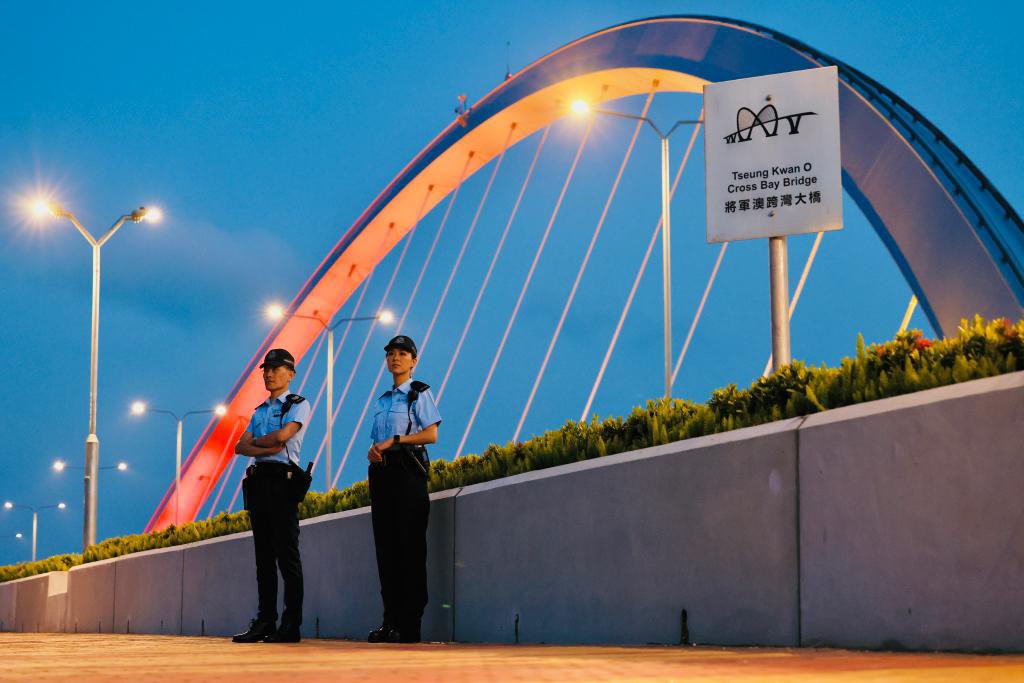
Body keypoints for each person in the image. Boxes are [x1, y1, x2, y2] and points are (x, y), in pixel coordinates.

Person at [231, 348, 311, 644]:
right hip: (259, 482)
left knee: (287, 556)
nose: (268, 374)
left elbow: (283, 437)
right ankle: (265, 621)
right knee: (263, 557)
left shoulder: (297, 405)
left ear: (290, 374)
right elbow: (240, 446)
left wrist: (262, 444)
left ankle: (290, 625)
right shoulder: (260, 410)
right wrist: (270, 446)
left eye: (275, 369)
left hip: (283, 482)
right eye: (266, 369)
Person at [366, 334, 441, 644]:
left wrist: (395, 441)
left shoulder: (419, 393)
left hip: (408, 471)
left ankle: (410, 625)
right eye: (390, 354)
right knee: (386, 550)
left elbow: (431, 434)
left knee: (410, 548)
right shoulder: (383, 400)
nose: (395, 358)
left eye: (402, 353)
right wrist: (374, 451)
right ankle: (390, 621)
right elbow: (378, 440)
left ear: (414, 360)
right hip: (382, 474)